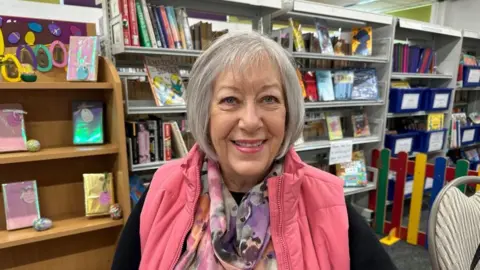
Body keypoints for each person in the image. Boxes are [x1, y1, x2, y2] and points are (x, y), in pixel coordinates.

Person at [112, 31, 396, 270]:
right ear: (205, 114)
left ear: (288, 113)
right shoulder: (164, 190)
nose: (250, 121)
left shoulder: (326, 202)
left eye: (269, 99)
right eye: (230, 99)